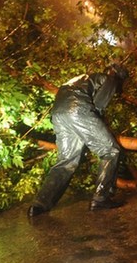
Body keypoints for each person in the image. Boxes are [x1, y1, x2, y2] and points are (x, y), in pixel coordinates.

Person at [27, 63, 129, 217]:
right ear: (118, 76)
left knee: (67, 160)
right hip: (78, 111)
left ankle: (40, 205)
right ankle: (101, 198)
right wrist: (100, 129)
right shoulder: (110, 79)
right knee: (111, 151)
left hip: (58, 114)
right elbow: (98, 107)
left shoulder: (83, 78)